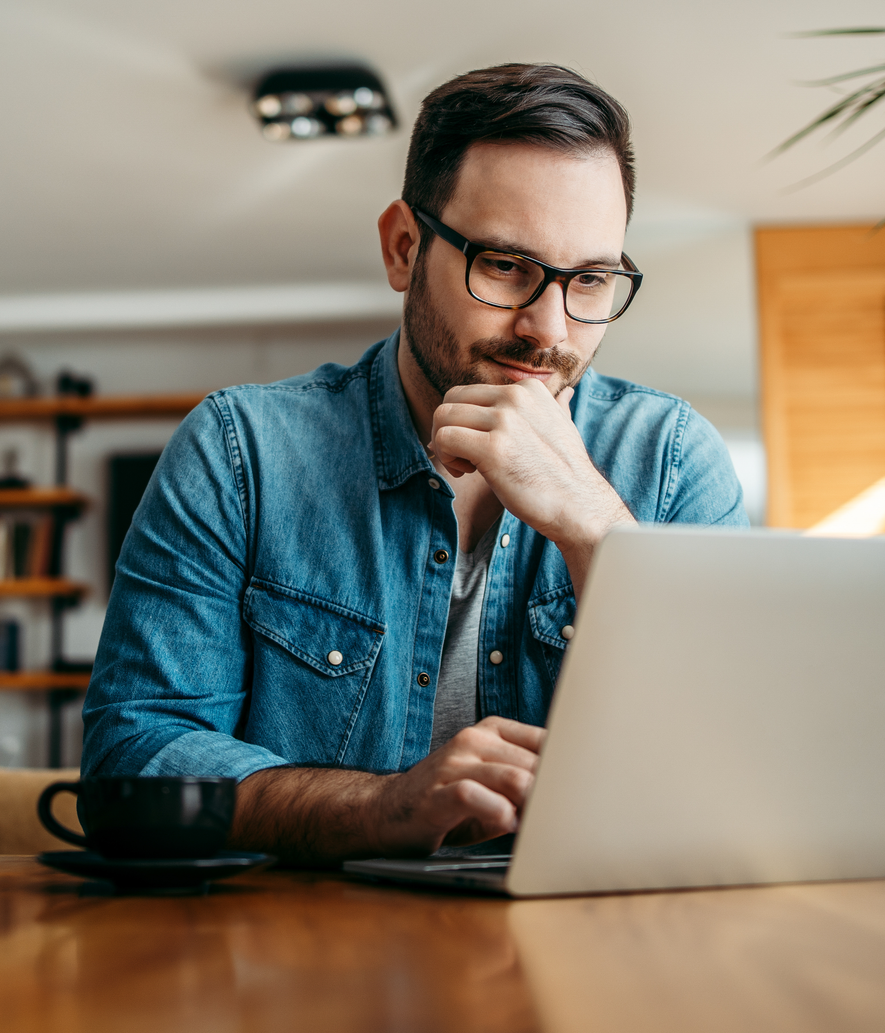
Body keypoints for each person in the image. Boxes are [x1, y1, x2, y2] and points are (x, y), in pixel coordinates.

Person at [81, 63, 747, 862]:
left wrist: (596, 529)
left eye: (592, 280)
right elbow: (136, 760)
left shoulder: (673, 460)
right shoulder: (240, 453)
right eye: (505, 265)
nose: (551, 329)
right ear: (403, 249)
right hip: (301, 960)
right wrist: (382, 807)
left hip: (592, 956)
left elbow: (743, 773)